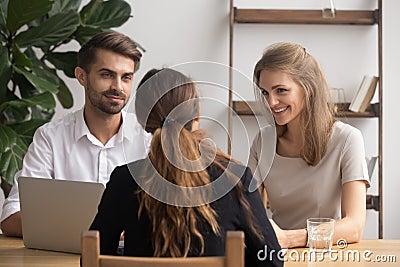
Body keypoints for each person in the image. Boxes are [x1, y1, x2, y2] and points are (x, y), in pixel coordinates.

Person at [89, 68, 283, 267]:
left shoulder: (124, 180)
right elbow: (272, 261)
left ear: (142, 120)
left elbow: (92, 258)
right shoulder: (234, 178)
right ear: (197, 114)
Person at [0, 31, 151, 237]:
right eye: (106, 75)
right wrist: (103, 231)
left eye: (126, 77)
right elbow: (11, 217)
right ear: (81, 76)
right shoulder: (50, 138)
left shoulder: (149, 136)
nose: (118, 87)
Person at [248, 42, 370, 248]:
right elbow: (248, 212)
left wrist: (290, 239)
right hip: (278, 256)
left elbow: (354, 226)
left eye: (281, 90)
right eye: (265, 93)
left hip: (327, 255)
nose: (271, 103)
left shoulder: (347, 139)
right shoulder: (263, 142)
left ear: (308, 88)